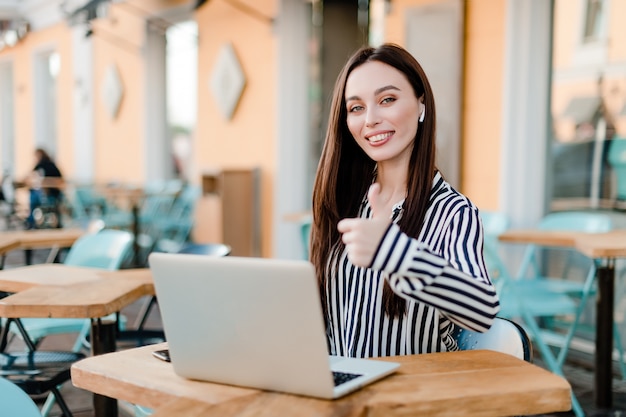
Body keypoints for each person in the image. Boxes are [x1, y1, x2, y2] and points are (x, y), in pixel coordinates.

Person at [310, 43, 500, 358]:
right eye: (356, 107)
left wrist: (396, 252)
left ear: (421, 105)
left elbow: (482, 309)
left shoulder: (453, 212)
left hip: (415, 398)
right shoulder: (343, 203)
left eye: (387, 100)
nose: (370, 119)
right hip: (344, 395)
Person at [25, 148, 64, 229]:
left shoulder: (50, 166)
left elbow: (60, 181)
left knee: (35, 199)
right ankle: (32, 221)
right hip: (44, 193)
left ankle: (31, 222)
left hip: (52, 193)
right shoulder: (39, 166)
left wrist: (47, 183)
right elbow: (29, 176)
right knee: (33, 197)